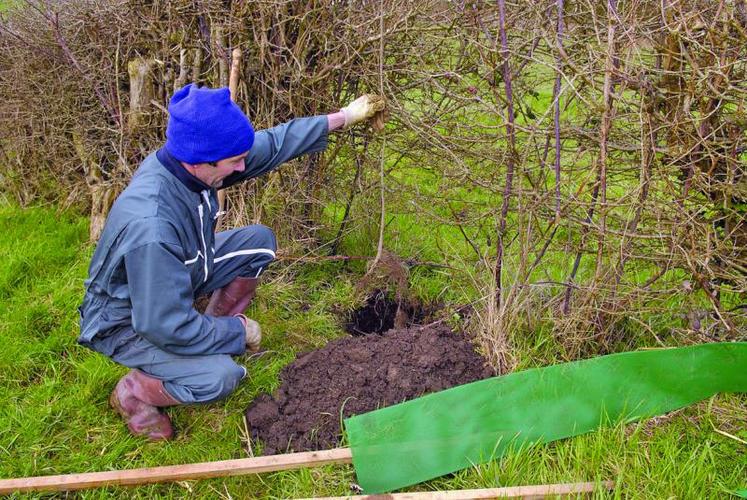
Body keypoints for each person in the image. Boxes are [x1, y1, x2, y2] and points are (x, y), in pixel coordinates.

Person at [77, 84, 385, 440]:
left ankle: (208, 335)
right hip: (128, 320)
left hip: (179, 271)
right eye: (234, 162)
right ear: (200, 161)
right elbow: (163, 325)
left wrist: (345, 116)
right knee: (221, 378)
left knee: (258, 243)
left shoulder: (190, 161)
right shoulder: (153, 227)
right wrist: (239, 331)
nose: (242, 166)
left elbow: (270, 145)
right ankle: (134, 392)